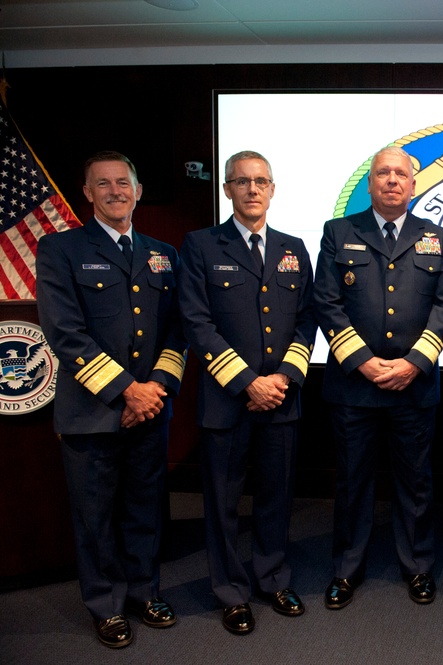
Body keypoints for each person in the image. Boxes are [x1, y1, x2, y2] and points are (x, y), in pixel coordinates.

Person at [35, 151, 186, 649]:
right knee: (95, 517)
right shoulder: (60, 249)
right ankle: (105, 605)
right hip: (92, 412)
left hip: (151, 409)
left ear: (138, 190)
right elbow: (66, 332)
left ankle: (145, 592)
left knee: (144, 509)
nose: (115, 191)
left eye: (123, 182)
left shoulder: (164, 253)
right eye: (103, 184)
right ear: (87, 193)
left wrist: (154, 390)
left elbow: (176, 330)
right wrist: (129, 390)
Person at [313, 146, 443, 609]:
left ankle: (417, 566)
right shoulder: (339, 232)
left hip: (414, 384)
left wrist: (415, 362)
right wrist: (364, 361)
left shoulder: (437, 235)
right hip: (355, 385)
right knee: (352, 482)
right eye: (383, 173)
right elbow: (327, 302)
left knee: (415, 482)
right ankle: (346, 569)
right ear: (370, 183)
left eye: (401, 174)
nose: (392, 180)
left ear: (413, 185)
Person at [178, 150, 315, 635]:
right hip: (227, 399)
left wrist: (282, 380)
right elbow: (196, 321)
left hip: (281, 397)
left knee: (277, 496)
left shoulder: (293, 247)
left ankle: (272, 577)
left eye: (261, 181)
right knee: (223, 501)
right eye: (242, 181)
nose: (252, 189)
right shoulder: (199, 245)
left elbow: (306, 320)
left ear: (273, 189)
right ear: (227, 190)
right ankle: (231, 592)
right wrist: (247, 382)